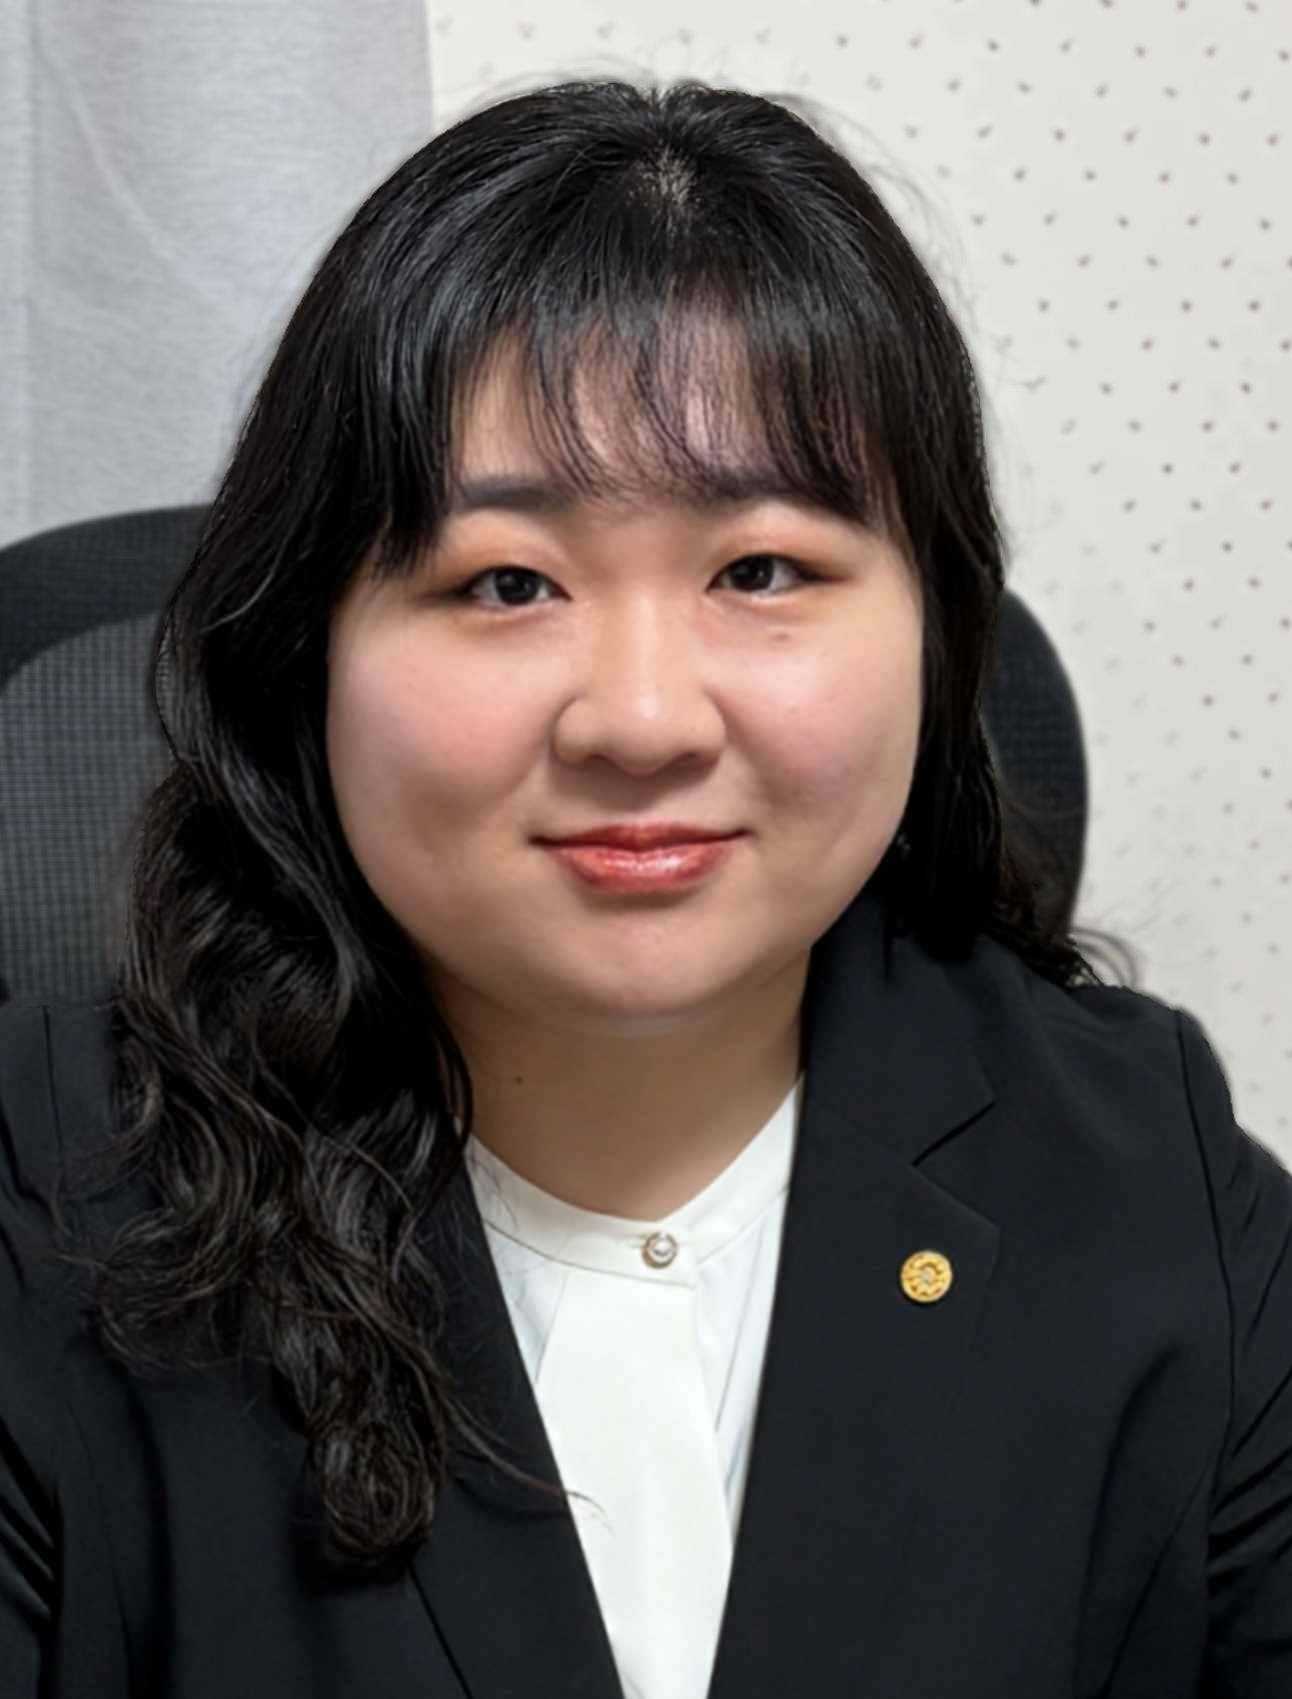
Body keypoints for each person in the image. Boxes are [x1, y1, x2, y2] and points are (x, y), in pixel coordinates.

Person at [0, 74, 1288, 1699]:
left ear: (936, 632)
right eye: (506, 583)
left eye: (762, 569)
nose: (644, 719)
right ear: (305, 654)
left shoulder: (1153, 1185)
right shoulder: (45, 1215)